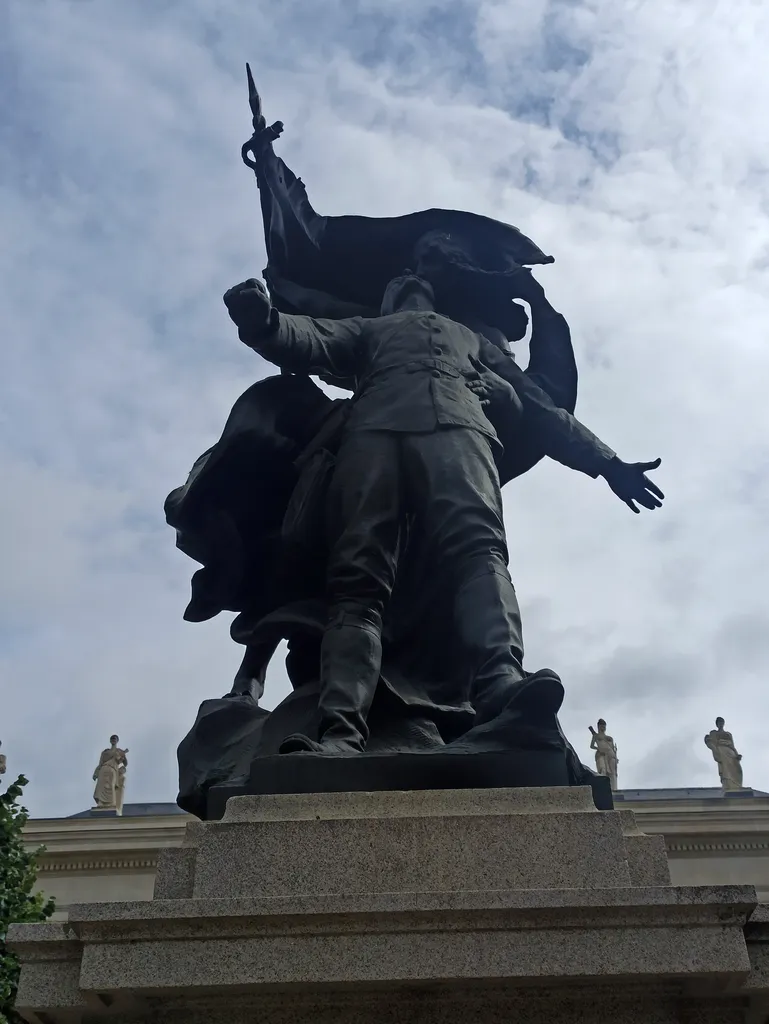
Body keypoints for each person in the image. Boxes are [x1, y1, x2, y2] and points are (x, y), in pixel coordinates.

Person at [223, 258, 663, 755]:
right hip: (372, 438)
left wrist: (607, 463)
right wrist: (261, 321)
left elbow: (539, 407)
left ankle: (502, 679)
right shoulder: (368, 329)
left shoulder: (471, 339)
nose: (406, 281)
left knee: (479, 551)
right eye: (396, 281)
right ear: (385, 303)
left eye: (415, 281)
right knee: (357, 582)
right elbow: (310, 337)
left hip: (459, 432)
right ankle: (341, 732)